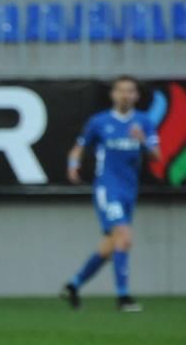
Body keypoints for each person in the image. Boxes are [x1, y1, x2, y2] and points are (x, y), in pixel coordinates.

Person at [60, 76, 161, 312]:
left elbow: (157, 156)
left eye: (130, 91)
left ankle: (74, 285)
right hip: (107, 188)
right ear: (113, 95)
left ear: (136, 96)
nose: (125, 95)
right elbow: (78, 148)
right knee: (124, 237)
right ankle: (123, 298)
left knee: (109, 246)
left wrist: (143, 141)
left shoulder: (144, 122)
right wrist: (73, 164)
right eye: (121, 91)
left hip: (129, 190)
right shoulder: (99, 122)